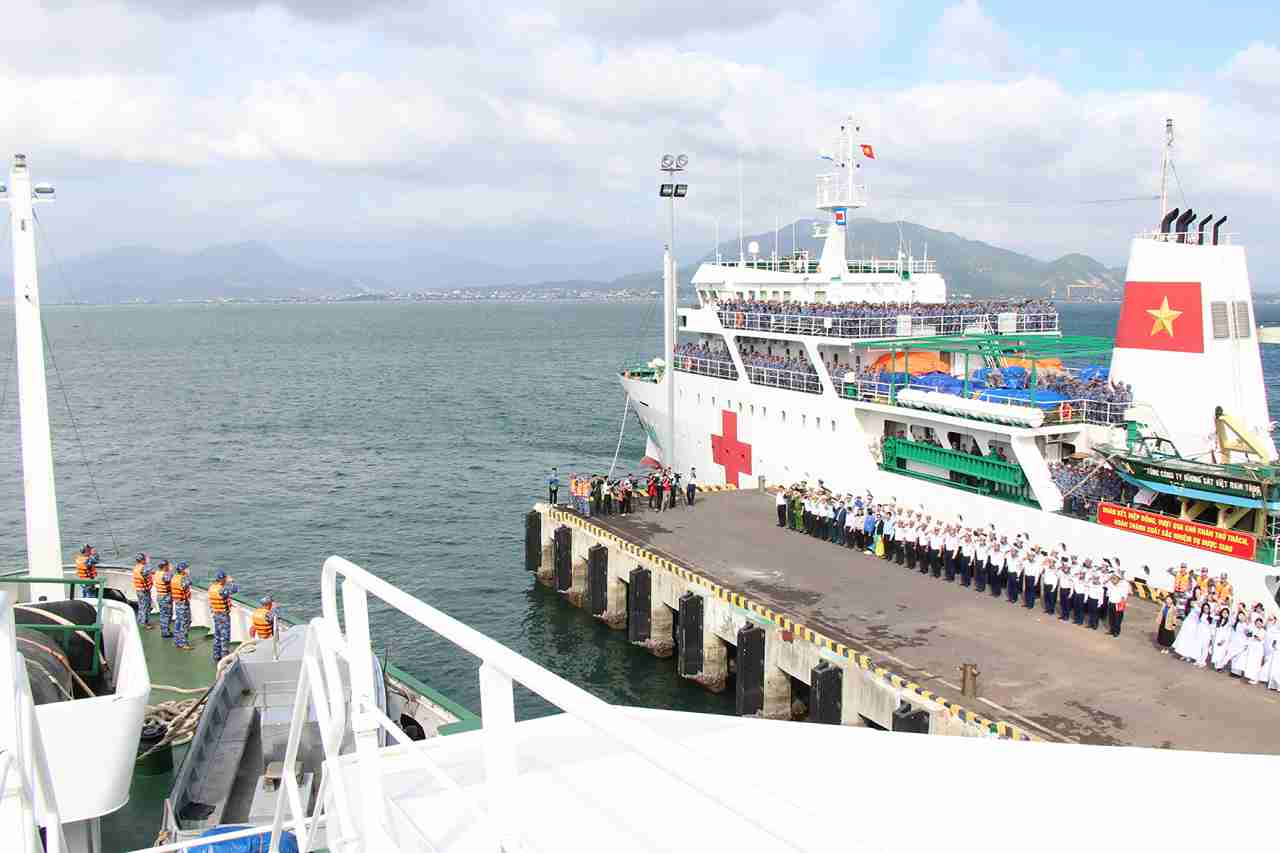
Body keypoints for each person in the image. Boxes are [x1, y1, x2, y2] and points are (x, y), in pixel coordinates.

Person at [208, 570, 239, 663]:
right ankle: (225, 659)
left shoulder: (212, 587)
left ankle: (216, 655)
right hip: (223, 616)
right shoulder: (222, 590)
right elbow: (235, 589)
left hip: (216, 614)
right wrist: (232, 581)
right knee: (225, 637)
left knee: (217, 635)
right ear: (223, 579)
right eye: (225, 578)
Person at [171, 562, 194, 650]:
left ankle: (177, 640)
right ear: (182, 570)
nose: (188, 570)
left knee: (179, 621)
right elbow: (189, 583)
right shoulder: (183, 579)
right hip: (183, 604)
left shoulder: (174, 577)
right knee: (185, 622)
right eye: (186, 568)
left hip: (178, 603)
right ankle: (183, 643)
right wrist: (187, 576)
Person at [131, 552, 154, 629]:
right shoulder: (143, 568)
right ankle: (144, 623)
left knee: (141, 606)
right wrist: (148, 562)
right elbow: (150, 569)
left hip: (139, 590)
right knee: (145, 606)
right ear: (142, 560)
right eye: (144, 559)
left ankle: (140, 620)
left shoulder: (136, 567)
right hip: (144, 591)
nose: (146, 560)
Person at [154, 559, 174, 639]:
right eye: (168, 565)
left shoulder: (157, 573)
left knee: (163, 614)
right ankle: (165, 632)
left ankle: (164, 630)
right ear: (165, 566)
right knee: (167, 615)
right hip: (165, 597)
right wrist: (171, 571)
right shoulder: (165, 575)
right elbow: (172, 579)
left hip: (160, 595)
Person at [1244, 619, 1267, 684]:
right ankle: (1251, 676)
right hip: (1252, 647)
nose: (1258, 625)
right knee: (1251, 662)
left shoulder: (1263, 631)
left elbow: (1259, 639)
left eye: (1260, 623)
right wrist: (1248, 633)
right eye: (1257, 623)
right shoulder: (1253, 629)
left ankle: (1256, 678)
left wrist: (1253, 635)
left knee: (1257, 663)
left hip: (1258, 648)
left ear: (1262, 624)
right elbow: (1248, 635)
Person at [1106, 573, 1128, 637]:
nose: (1113, 580)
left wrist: (1122, 603)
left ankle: (1116, 632)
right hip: (1111, 602)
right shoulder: (1110, 584)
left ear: (1118, 579)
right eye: (1112, 578)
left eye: (1115, 578)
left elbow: (1124, 595)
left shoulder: (1123, 586)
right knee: (1111, 618)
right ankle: (1111, 630)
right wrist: (1110, 578)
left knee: (1117, 619)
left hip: (1118, 604)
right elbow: (1105, 583)